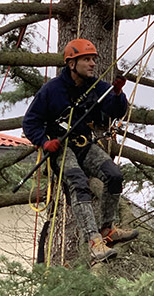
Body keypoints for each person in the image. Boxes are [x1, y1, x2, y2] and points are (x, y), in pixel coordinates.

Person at [23, 38, 138, 262]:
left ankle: (107, 229)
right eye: (86, 59)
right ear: (71, 63)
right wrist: (45, 142)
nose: (92, 64)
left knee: (114, 176)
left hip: (84, 143)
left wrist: (117, 94)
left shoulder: (96, 87)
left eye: (93, 59)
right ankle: (94, 241)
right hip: (60, 147)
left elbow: (116, 111)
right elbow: (30, 122)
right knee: (78, 182)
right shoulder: (51, 90)